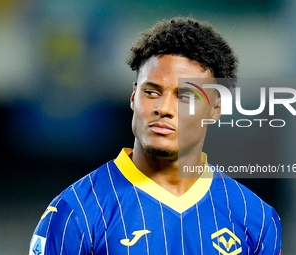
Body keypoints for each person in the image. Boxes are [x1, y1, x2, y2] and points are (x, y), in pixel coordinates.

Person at [29, 17, 282, 255]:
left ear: (216, 109)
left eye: (184, 96)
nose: (163, 108)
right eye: (151, 92)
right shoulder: (76, 211)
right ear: (133, 97)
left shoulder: (255, 218)